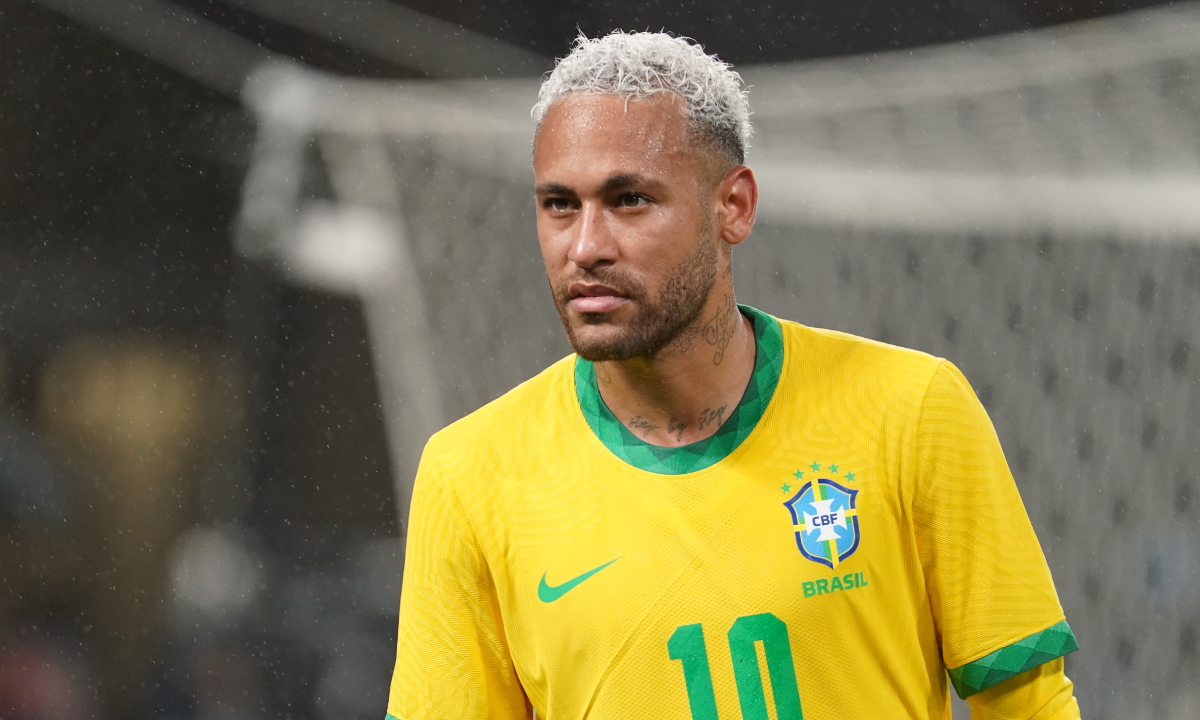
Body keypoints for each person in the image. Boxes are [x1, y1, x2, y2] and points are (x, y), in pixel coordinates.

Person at [386, 31, 1081, 720]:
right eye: (559, 204)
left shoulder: (910, 408)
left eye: (629, 199)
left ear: (734, 206)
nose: (586, 246)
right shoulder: (468, 476)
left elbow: (1028, 706)